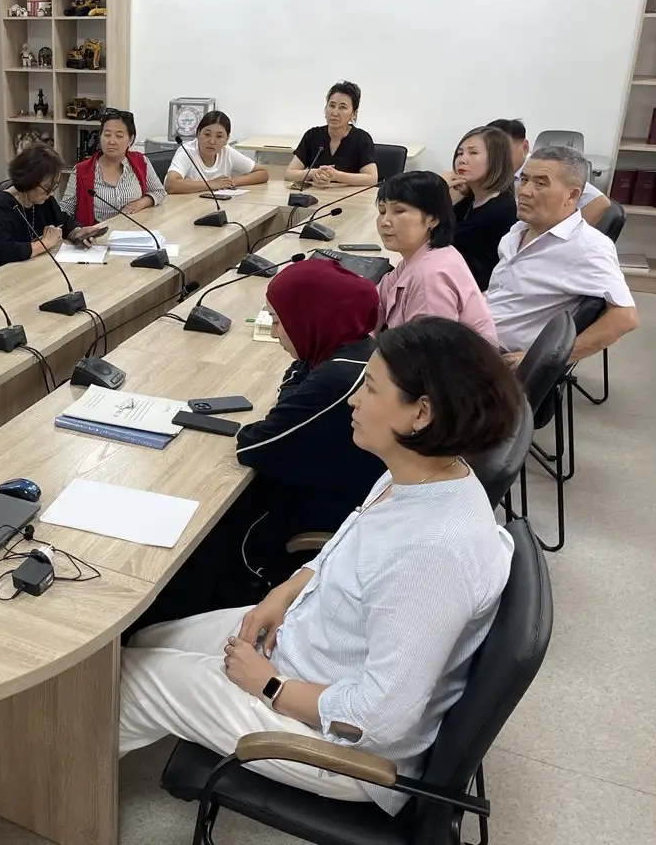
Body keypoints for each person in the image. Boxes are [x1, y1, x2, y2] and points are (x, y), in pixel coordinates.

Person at [120, 316, 520, 816]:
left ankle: (62, 803)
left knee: (130, 683)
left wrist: (269, 685)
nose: (353, 401)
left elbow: (379, 719)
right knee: (145, 642)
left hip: (344, 749)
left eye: (369, 388)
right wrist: (287, 590)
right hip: (310, 644)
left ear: (420, 413)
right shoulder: (421, 473)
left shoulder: (433, 553)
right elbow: (349, 540)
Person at [128, 259, 385, 634]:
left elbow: (256, 444)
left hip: (315, 511)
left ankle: (163, 624)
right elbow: (288, 398)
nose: (275, 332)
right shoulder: (352, 350)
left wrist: (288, 392)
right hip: (333, 490)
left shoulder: (337, 378)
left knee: (203, 518)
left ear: (311, 320)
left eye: (279, 321)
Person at [487, 145, 638, 363]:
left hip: (496, 355)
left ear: (572, 194)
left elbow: (625, 317)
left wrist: (543, 359)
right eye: (524, 179)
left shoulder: (588, 246)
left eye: (540, 183)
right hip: (477, 333)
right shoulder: (518, 230)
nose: (524, 191)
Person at [375, 171, 497, 345]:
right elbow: (375, 304)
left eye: (399, 211)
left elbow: (429, 353)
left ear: (433, 218)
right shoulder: (419, 256)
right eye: (382, 211)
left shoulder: (430, 276)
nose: (385, 221)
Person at [0, 144, 104, 275]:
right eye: (47, 187)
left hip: (30, 271)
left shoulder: (43, 200)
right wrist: (45, 243)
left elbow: (63, 221)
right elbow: (4, 252)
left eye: (54, 186)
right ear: (29, 180)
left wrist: (77, 232)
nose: (51, 193)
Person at [487, 118, 612, 229]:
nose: (496, 157)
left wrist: (568, 234)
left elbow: (600, 202)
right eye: (491, 151)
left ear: (524, 147)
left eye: (503, 150)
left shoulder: (543, 168)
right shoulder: (498, 170)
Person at [60, 109, 167, 224]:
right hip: (98, 233)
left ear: (130, 139)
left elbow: (159, 192)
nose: (112, 141)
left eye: (119, 136)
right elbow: (65, 211)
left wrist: (141, 203)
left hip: (134, 229)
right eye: (107, 135)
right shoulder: (81, 171)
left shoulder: (141, 162)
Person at [445, 125, 517, 291]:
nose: (462, 159)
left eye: (473, 153)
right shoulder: (472, 197)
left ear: (496, 160)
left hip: (475, 292)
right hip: (457, 280)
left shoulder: (500, 208)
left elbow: (438, 238)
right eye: (460, 153)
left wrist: (438, 190)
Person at [286, 82, 378, 188]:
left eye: (342, 107)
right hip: (316, 194)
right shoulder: (312, 135)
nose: (334, 112)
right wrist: (312, 173)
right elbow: (289, 174)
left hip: (348, 196)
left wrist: (336, 176)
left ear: (353, 114)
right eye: (332, 106)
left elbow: (372, 179)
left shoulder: (361, 139)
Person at [164, 110, 269, 194]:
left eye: (219, 136)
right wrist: (211, 184)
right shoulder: (187, 152)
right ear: (198, 134)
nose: (212, 141)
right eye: (207, 135)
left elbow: (262, 173)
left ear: (226, 139)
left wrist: (232, 182)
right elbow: (171, 185)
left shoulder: (226, 151)